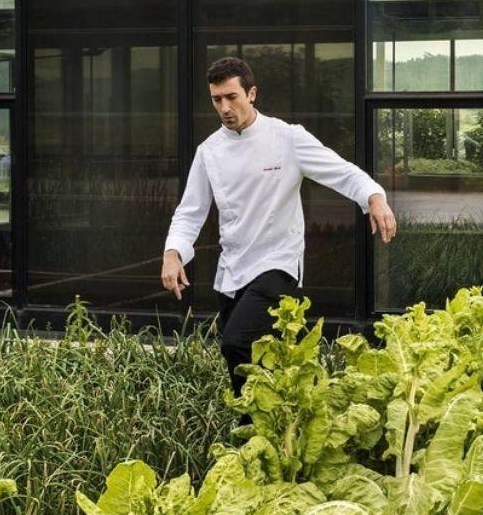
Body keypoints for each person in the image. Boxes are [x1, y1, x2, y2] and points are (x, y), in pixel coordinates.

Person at [162, 57, 397, 397]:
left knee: (236, 343)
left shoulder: (287, 138)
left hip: (278, 264)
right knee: (250, 361)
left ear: (252, 93)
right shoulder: (209, 151)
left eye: (232, 97)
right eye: (217, 100)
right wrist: (173, 253)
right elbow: (190, 212)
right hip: (233, 270)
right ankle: (272, 428)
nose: (225, 107)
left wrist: (374, 197)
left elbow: (342, 171)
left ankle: (257, 427)